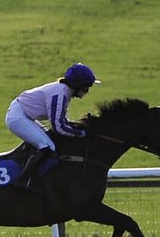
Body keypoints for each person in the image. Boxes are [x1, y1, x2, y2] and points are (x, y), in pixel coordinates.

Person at [6, 62, 97, 191]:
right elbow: (59, 127)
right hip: (18, 117)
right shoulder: (59, 93)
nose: (87, 91)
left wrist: (78, 126)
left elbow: (62, 121)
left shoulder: (64, 92)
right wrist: (81, 134)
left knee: (48, 140)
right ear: (77, 84)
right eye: (86, 86)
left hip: (24, 115)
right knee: (47, 146)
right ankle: (22, 181)